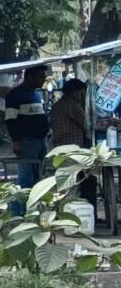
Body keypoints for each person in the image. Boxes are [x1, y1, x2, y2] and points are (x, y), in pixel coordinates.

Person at [5, 64, 51, 213]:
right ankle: (17, 212)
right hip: (26, 142)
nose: (43, 80)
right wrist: (16, 141)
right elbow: (10, 120)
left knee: (37, 178)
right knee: (26, 178)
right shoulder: (16, 95)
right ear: (29, 76)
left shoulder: (36, 94)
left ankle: (30, 209)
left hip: (40, 141)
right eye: (40, 76)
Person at [50, 77, 97, 206]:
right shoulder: (71, 105)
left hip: (59, 148)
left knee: (66, 183)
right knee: (71, 184)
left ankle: (67, 210)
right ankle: (71, 212)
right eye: (82, 93)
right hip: (72, 149)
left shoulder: (58, 104)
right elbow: (87, 123)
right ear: (76, 92)